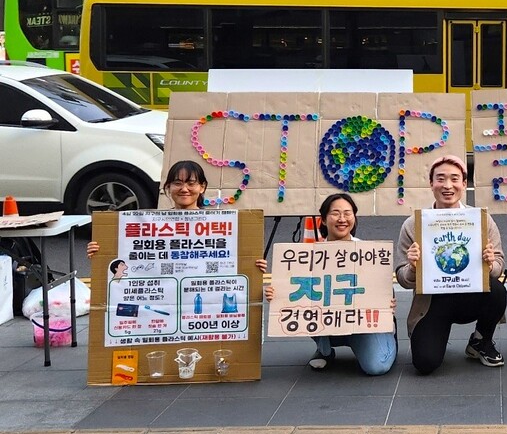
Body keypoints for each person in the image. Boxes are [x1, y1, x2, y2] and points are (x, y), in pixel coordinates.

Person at [88, 161, 269, 302]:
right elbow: (120, 270)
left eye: (191, 183)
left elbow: (237, 265)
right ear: (168, 188)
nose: (184, 189)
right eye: (177, 183)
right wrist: (101, 254)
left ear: (202, 187)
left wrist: (254, 266)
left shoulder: (220, 226)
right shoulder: (150, 226)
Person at [395, 155, 507, 374]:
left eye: (455, 179)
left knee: (497, 290)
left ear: (464, 184)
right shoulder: (413, 224)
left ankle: (480, 340)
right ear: (431, 183)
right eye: (440, 179)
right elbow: (402, 278)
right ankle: (434, 335)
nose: (448, 185)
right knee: (425, 364)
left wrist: (490, 263)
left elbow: (499, 265)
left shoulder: (481, 220)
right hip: (432, 302)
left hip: (471, 296)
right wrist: (412, 266)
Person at [267, 193, 397, 376]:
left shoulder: (369, 252)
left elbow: (382, 288)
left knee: (377, 366)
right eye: (335, 213)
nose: (342, 219)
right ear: (324, 219)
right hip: (328, 323)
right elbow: (294, 294)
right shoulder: (307, 256)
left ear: (354, 217)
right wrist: (278, 295)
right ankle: (325, 349)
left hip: (364, 325)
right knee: (309, 304)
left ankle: (386, 338)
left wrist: (388, 303)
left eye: (347, 213)